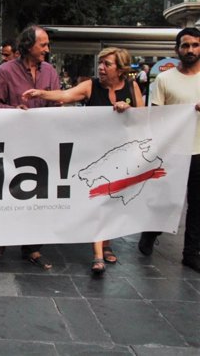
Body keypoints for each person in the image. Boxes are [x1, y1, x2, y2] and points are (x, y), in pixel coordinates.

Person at [22, 47, 144, 274]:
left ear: (121, 68)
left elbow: (143, 118)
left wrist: (129, 110)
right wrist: (41, 94)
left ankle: (106, 245)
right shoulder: (91, 86)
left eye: (107, 64)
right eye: (100, 63)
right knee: (97, 201)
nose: (101, 68)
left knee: (111, 201)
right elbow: (66, 95)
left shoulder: (132, 87)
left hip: (122, 155)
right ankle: (98, 254)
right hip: (94, 155)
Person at [0, 24, 60, 270]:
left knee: (37, 196)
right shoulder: (5, 72)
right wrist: (14, 112)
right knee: (8, 192)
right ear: (28, 45)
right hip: (12, 146)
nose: (47, 50)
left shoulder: (50, 71)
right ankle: (1, 239)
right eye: (43, 45)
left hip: (41, 146)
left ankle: (33, 248)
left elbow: (57, 103)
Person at [138, 27, 200, 274]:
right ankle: (151, 231)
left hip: (199, 151)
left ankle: (191, 253)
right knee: (165, 199)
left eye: (195, 45)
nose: (190, 50)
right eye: (185, 46)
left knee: (197, 205)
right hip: (174, 150)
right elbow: (156, 115)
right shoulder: (164, 80)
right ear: (177, 50)